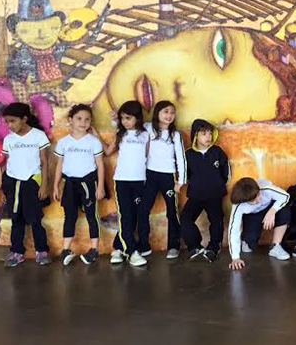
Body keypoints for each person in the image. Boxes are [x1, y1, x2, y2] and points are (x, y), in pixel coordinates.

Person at [0, 103, 52, 267]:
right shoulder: (9, 139)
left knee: (35, 218)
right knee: (16, 219)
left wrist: (44, 186)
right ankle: (17, 252)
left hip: (31, 182)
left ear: (24, 119)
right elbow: (6, 163)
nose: (9, 125)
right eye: (7, 122)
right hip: (12, 182)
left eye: (13, 121)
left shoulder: (38, 136)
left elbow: (44, 162)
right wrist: (3, 185)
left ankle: (42, 251)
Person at [53, 104, 105, 266]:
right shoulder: (63, 142)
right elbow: (59, 165)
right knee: (70, 216)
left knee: (91, 216)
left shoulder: (93, 142)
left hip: (88, 183)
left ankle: (94, 249)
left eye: (87, 119)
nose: (83, 122)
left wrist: (100, 186)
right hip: (69, 184)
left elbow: (100, 165)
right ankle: (65, 250)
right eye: (79, 118)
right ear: (71, 120)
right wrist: (55, 186)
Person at [99, 101, 149, 267]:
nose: (125, 121)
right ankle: (131, 252)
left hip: (140, 180)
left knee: (133, 217)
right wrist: (96, 134)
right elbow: (108, 151)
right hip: (122, 181)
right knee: (125, 215)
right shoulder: (121, 134)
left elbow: (148, 155)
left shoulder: (146, 134)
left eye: (128, 118)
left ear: (137, 118)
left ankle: (117, 248)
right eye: (122, 118)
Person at [136, 100, 186, 259]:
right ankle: (144, 245)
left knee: (172, 212)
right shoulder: (148, 128)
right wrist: (114, 121)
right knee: (143, 210)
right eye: (166, 111)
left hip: (169, 176)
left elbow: (181, 158)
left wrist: (180, 181)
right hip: (150, 175)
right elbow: (129, 129)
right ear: (157, 112)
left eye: (172, 112)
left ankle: (173, 246)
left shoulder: (175, 134)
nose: (169, 115)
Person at [181, 119, 230, 262]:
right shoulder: (188, 154)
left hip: (214, 194)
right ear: (195, 136)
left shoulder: (217, 152)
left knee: (216, 221)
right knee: (185, 219)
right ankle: (195, 246)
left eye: (210, 133)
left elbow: (226, 172)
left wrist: (218, 184)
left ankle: (214, 247)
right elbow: (185, 174)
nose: (208, 137)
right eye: (204, 134)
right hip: (196, 195)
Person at [228, 177, 291, 270]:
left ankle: (275, 246)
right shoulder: (238, 206)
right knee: (250, 245)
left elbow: (286, 196)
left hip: (269, 209)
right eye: (253, 201)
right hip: (252, 215)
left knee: (284, 211)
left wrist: (272, 211)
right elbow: (233, 229)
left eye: (258, 195)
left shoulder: (266, 188)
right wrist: (235, 258)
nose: (258, 200)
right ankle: (246, 241)